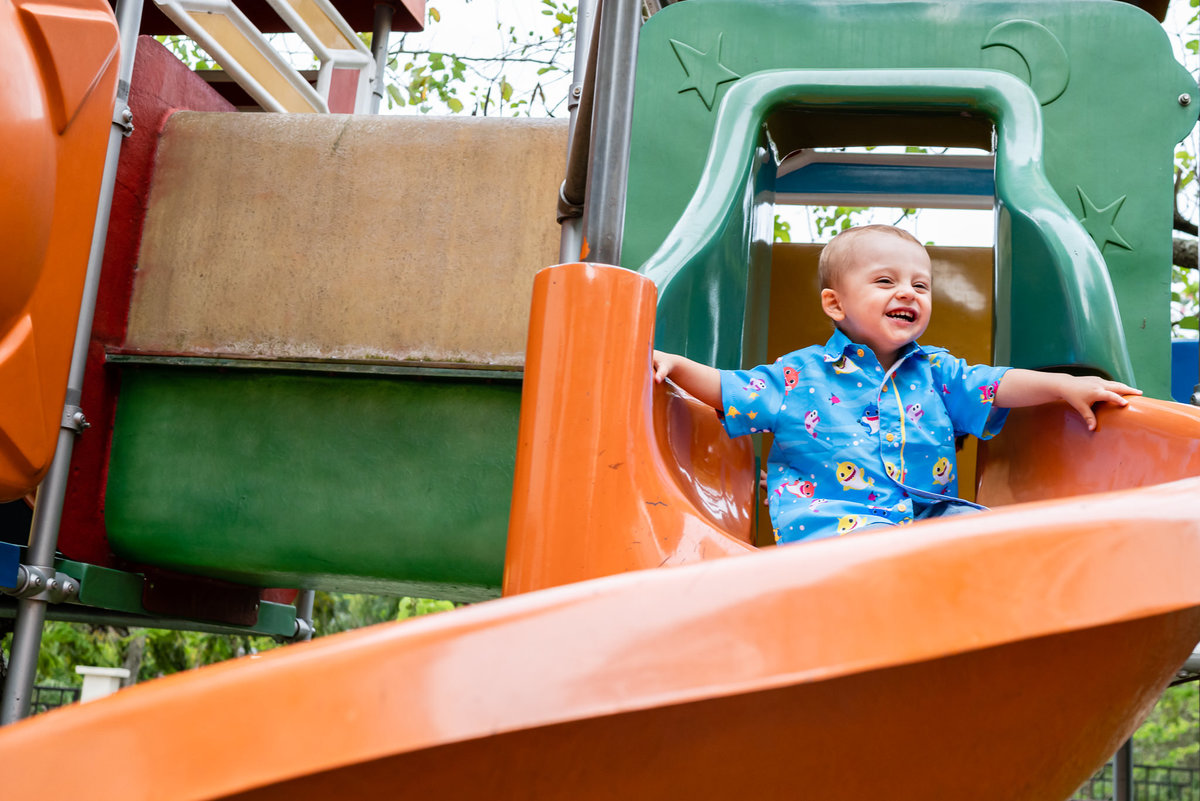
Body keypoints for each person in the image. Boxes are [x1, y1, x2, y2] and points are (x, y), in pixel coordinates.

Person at [651, 224, 1139, 544]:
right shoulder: (799, 375)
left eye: (920, 285)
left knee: (994, 534)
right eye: (885, 282)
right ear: (835, 305)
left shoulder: (936, 371)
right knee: (868, 548)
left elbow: (993, 384)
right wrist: (677, 366)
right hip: (835, 528)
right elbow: (730, 389)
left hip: (928, 520)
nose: (907, 291)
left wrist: (1064, 388)